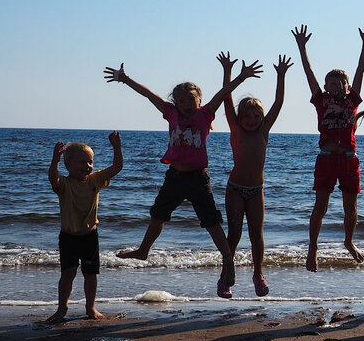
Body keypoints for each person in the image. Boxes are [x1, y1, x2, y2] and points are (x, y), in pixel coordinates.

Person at [103, 59, 261, 297]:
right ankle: (144, 250)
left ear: (199, 100)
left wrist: (241, 77)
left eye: (191, 99)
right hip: (174, 178)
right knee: (158, 216)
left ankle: (228, 259)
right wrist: (125, 80)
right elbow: (149, 95)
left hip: (198, 179)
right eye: (182, 100)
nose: (187, 103)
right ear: (175, 102)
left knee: (211, 221)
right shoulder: (170, 113)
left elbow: (223, 93)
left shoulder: (206, 113)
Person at [292, 20, 364, 268]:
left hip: (349, 159)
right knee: (321, 205)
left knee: (351, 207)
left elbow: (361, 70)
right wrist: (302, 48)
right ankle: (312, 248)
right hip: (327, 158)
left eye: (341, 83)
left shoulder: (353, 101)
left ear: (347, 87)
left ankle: (349, 242)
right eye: (331, 83)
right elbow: (309, 73)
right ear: (327, 87)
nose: (336, 86)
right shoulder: (321, 100)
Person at [218, 51, 291, 297]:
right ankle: (226, 275)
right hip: (235, 188)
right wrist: (228, 72)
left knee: (256, 235)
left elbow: (278, 103)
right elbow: (227, 100)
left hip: (256, 190)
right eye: (247, 116)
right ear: (239, 118)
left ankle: (258, 274)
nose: (252, 120)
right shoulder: (236, 129)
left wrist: (280, 76)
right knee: (234, 233)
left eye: (257, 116)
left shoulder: (264, 130)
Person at [46, 132, 123, 323]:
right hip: (69, 237)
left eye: (90, 162)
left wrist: (116, 148)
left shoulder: (95, 180)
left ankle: (91, 307)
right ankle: (62, 308)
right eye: (82, 162)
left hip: (90, 236)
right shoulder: (64, 183)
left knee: (90, 274)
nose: (87, 166)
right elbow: (53, 179)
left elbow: (117, 168)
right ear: (68, 164)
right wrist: (54, 161)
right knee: (68, 273)